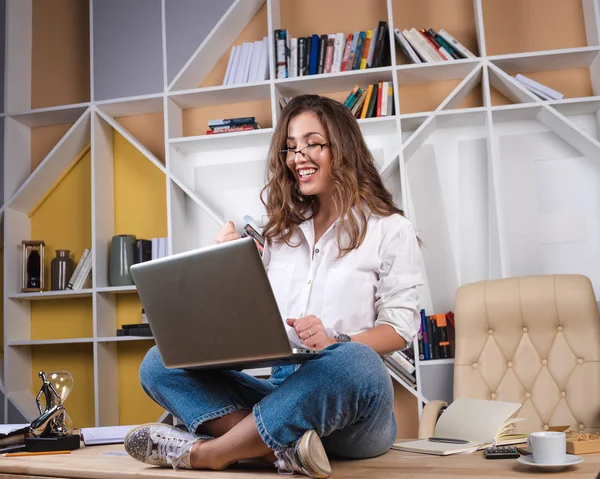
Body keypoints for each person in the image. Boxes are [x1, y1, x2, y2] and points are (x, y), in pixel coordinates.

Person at [124, 94, 423, 478]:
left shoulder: (389, 229)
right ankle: (279, 453)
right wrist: (226, 271)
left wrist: (336, 344)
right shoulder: (278, 236)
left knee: (356, 362)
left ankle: (212, 453)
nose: (299, 156)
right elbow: (245, 324)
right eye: (291, 147)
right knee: (159, 362)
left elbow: (400, 329)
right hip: (279, 392)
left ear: (343, 148)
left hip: (351, 406)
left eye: (313, 143)